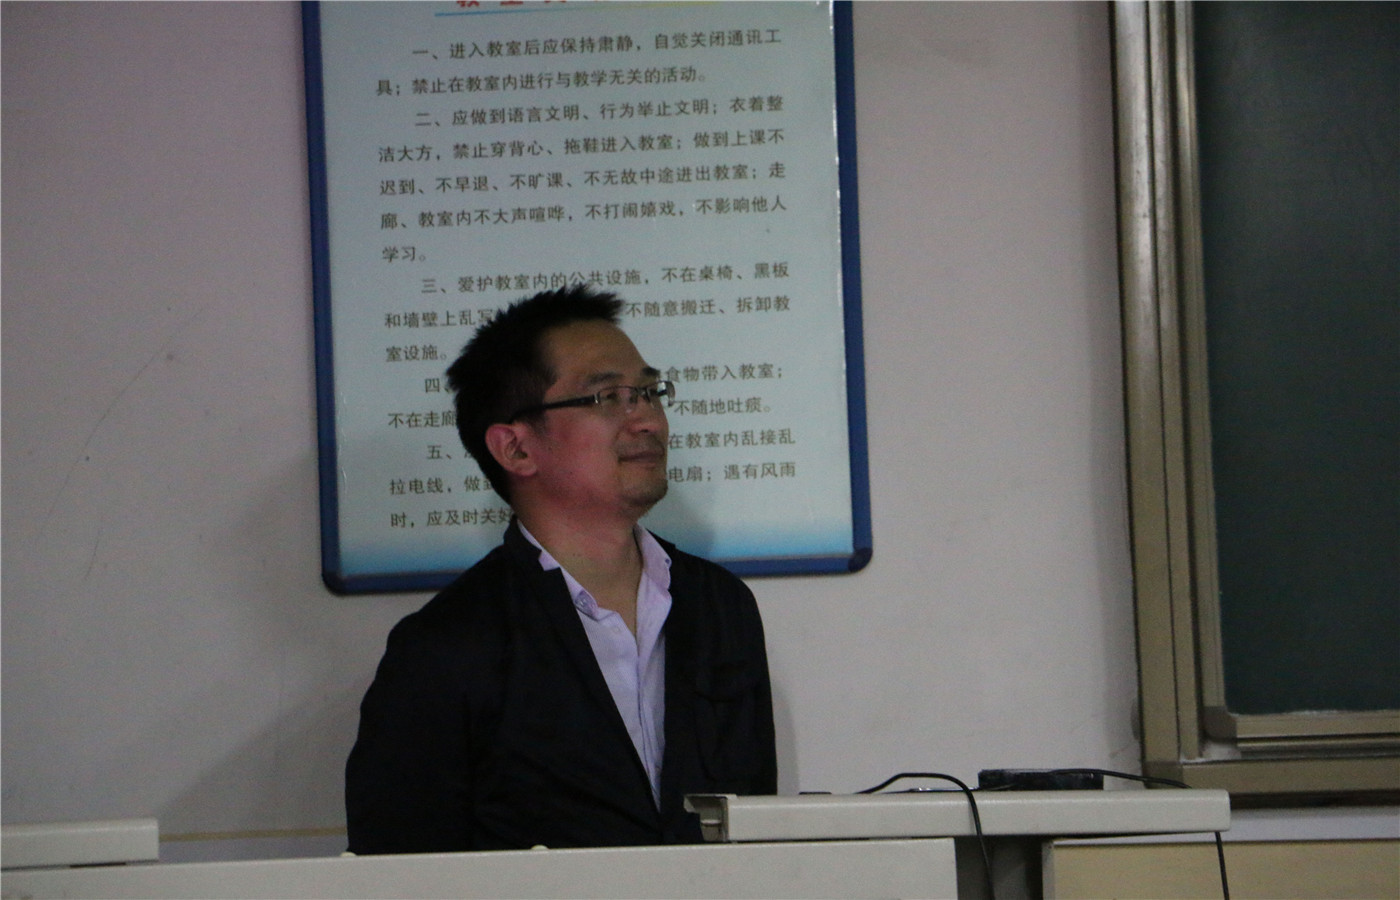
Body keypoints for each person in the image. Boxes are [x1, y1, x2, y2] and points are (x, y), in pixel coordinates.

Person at [345, 285, 777, 854]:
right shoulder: (446, 647)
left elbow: (756, 831)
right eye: (608, 398)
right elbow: (400, 874)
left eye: (649, 392)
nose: (647, 419)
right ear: (516, 449)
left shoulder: (720, 605)